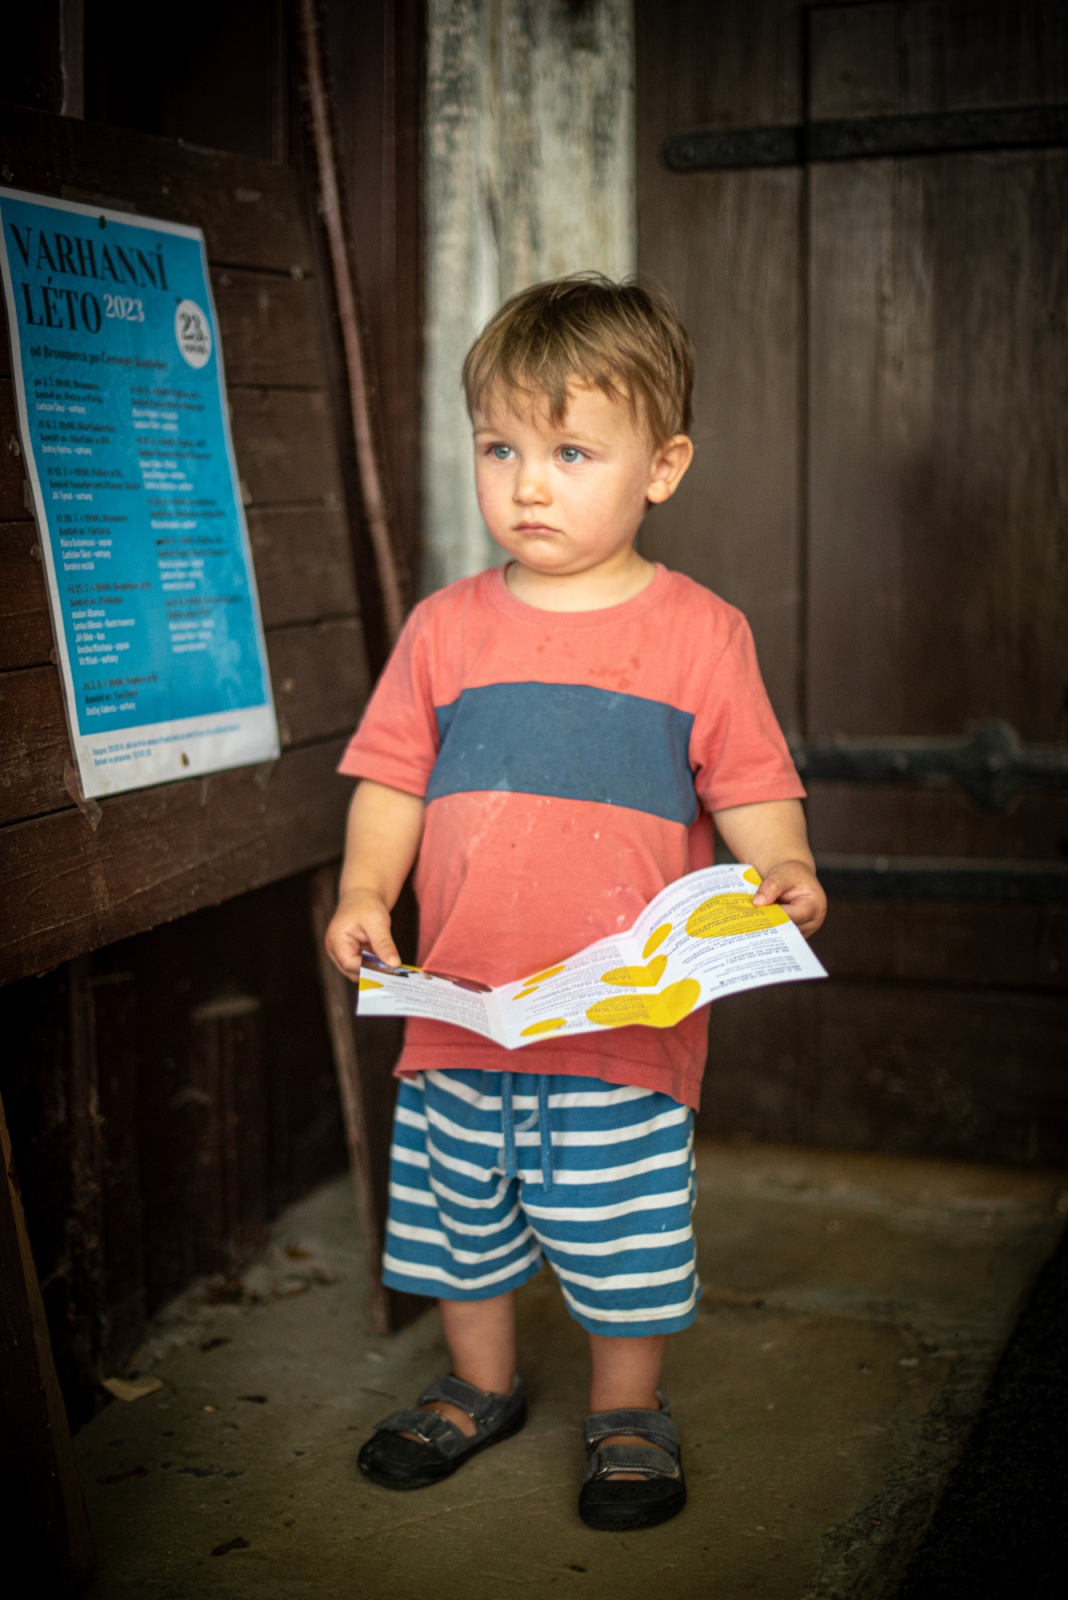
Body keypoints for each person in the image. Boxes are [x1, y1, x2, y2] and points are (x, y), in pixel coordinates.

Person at [324, 274, 827, 1531]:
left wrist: (784, 865)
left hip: (621, 1018)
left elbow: (752, 782)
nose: (529, 486)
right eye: (500, 449)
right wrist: (366, 889)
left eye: (570, 452)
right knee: (461, 1221)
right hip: (459, 1008)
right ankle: (479, 1384)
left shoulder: (701, 634)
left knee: (622, 1231)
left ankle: (626, 1407)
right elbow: (391, 781)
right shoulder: (444, 630)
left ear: (663, 467)